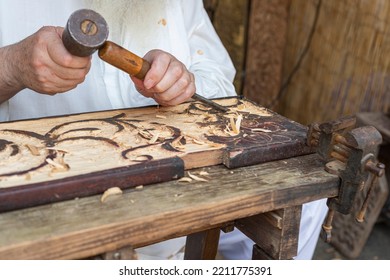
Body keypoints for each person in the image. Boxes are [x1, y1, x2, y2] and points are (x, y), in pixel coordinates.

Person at [0, 0, 328, 260]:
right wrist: (12, 65)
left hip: (182, 181)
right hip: (60, 196)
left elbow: (217, 79)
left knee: (307, 204)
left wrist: (183, 81)